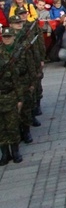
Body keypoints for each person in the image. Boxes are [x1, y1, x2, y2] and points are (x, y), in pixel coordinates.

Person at [0, 27, 24, 164]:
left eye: (9, 37)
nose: (7, 39)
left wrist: (19, 99)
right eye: (5, 37)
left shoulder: (10, 57)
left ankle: (15, 151)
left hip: (9, 96)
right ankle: (4, 153)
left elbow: (16, 80)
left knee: (12, 125)